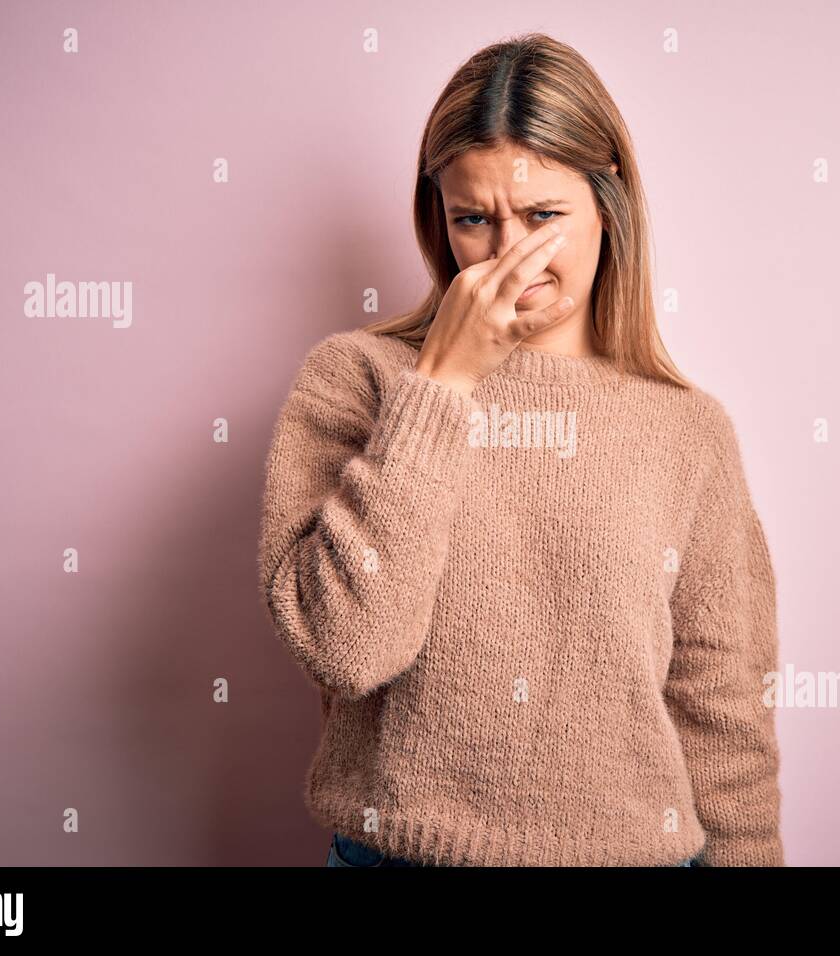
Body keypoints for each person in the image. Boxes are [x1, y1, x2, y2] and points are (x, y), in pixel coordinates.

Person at [257, 32, 784, 868]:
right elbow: (347, 649)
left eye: (543, 216)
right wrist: (442, 386)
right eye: (474, 218)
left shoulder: (689, 431)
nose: (510, 254)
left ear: (608, 201)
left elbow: (724, 715)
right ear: (440, 219)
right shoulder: (356, 380)